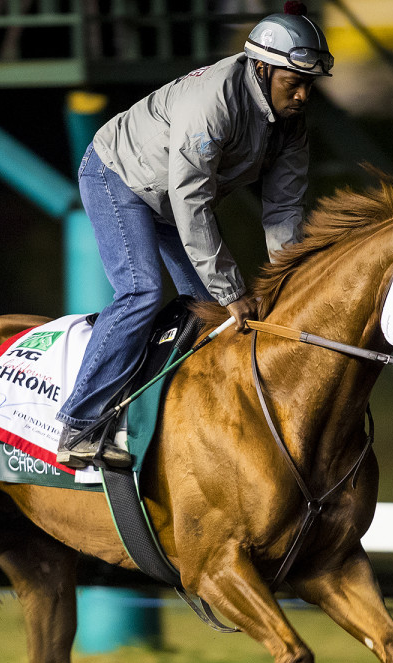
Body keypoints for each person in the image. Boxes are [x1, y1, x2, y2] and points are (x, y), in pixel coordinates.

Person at [56, 2, 334, 469]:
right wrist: (232, 290)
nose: (304, 95)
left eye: (310, 84)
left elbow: (284, 212)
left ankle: (184, 423)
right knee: (142, 290)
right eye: (295, 81)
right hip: (117, 176)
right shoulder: (214, 102)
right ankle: (79, 423)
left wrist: (293, 286)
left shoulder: (291, 125)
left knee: (216, 318)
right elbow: (192, 203)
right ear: (262, 68)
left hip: (174, 197)